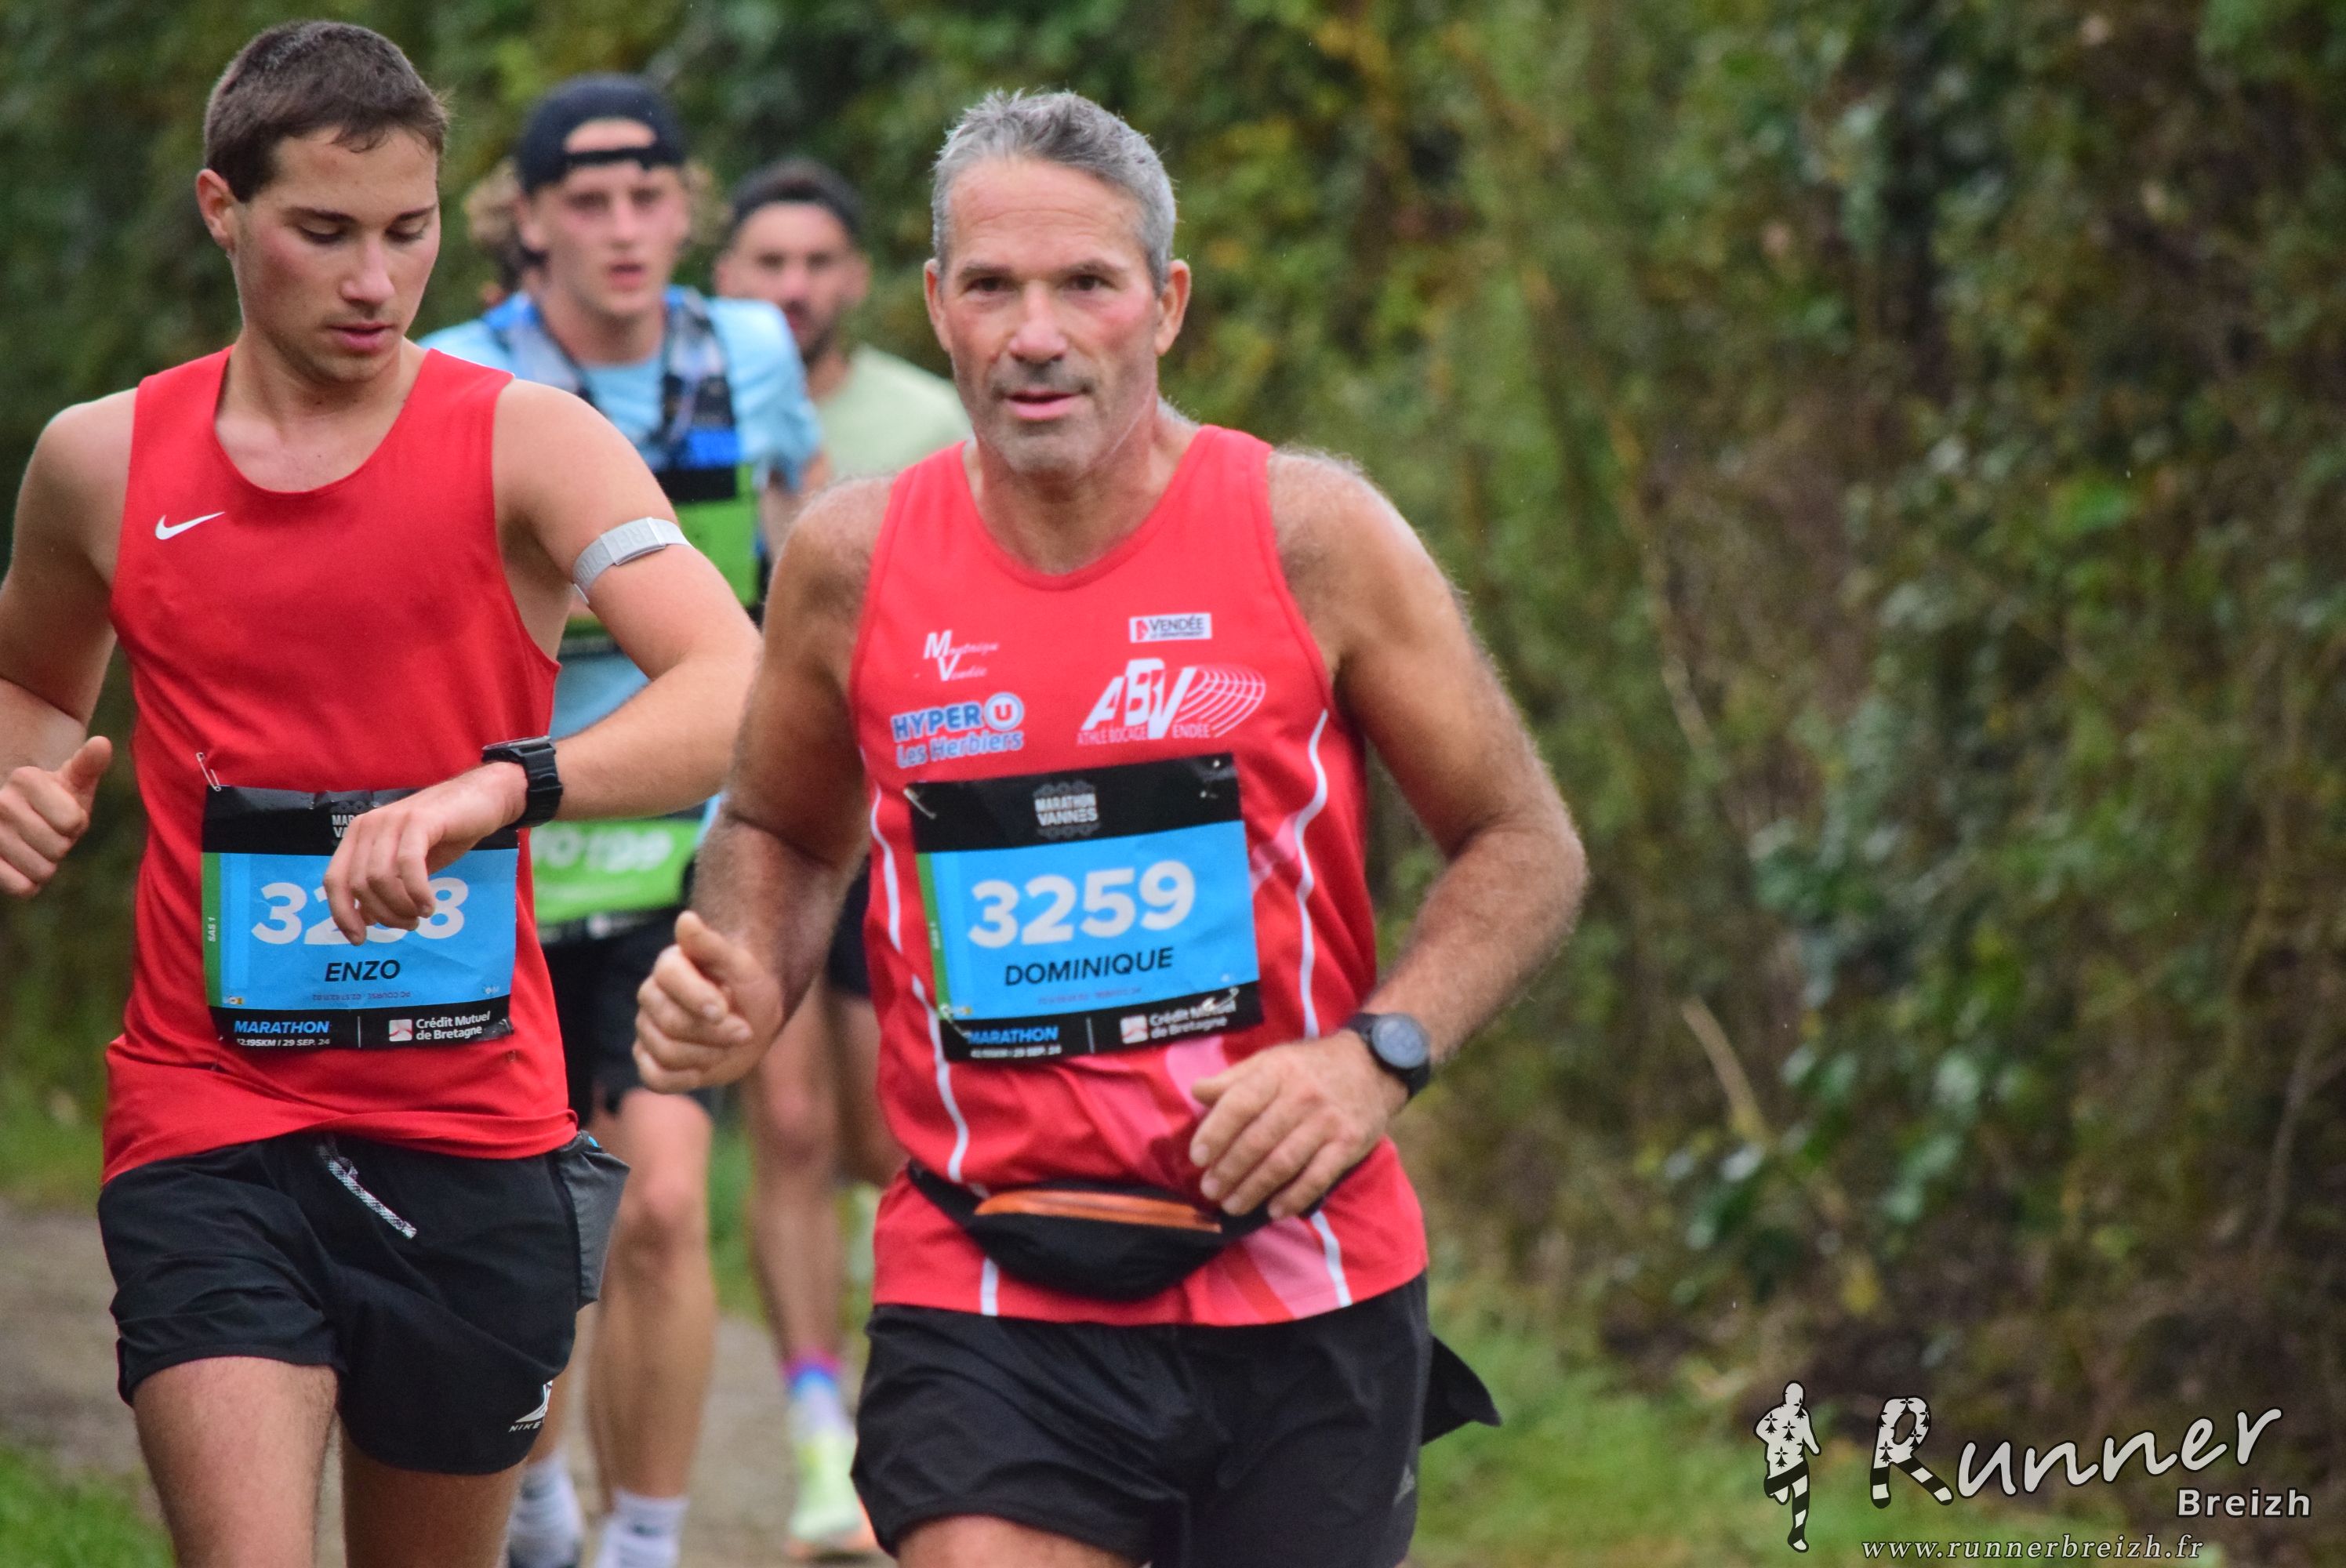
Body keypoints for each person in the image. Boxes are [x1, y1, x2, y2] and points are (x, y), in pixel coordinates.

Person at [636, 89, 1587, 1568]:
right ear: (937, 307)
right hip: (986, 1279)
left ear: (1167, 303)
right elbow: (784, 826)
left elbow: (1523, 842)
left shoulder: (1311, 534)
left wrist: (1374, 1056)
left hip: (1299, 1268)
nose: (1038, 334)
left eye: (1087, 282)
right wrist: (750, 966)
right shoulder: (853, 559)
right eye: (994, 287)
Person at [0, 22, 759, 1568]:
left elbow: (729, 681)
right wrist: (18, 782)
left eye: (409, 232)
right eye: (325, 232)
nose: (375, 280)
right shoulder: (101, 461)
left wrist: (501, 789)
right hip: (209, 1106)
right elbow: (31, 686)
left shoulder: (532, 442)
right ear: (223, 210)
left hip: (471, 1123)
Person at [422, 75, 824, 1568]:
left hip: (682, 847)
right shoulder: (458, 375)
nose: (623, 227)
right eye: (586, 201)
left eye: (649, 195)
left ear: (688, 206)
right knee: (529, 1216)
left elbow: (803, 555)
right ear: (525, 220)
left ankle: (645, 1544)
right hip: (510, 848)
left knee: (656, 1204)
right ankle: (535, 1509)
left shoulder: (753, 354)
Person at [711, 154, 971, 1559]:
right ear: (725, 279)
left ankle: (890, 1380)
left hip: (898, 813)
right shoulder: (679, 408)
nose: (794, 287)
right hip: (742, 808)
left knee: (883, 1133)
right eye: (768, 262)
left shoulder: (927, 419)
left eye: (819, 262)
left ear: (863, 279)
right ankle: (821, 1444)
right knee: (794, 1127)